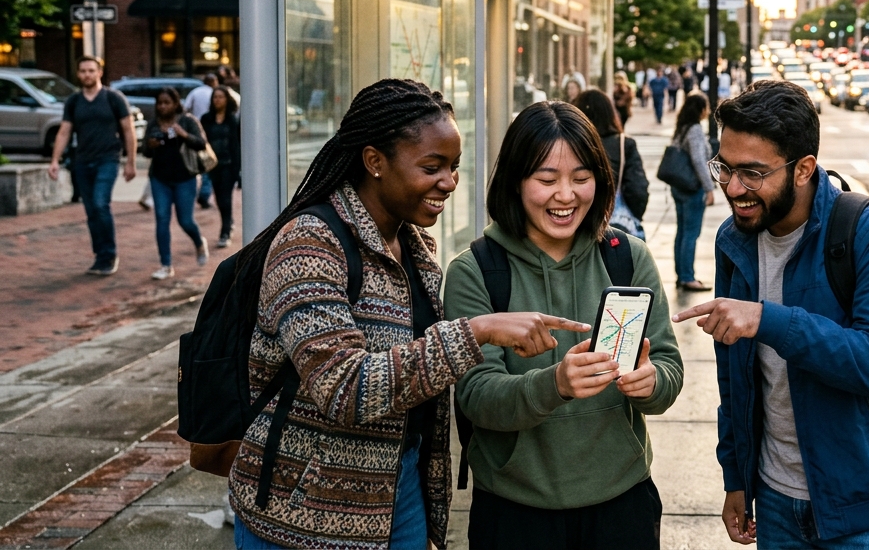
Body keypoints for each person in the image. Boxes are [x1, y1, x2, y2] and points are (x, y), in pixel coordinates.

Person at [228, 78, 587, 550]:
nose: (449, 182)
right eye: (432, 167)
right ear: (374, 161)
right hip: (304, 515)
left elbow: (420, 378)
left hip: (400, 498)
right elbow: (344, 390)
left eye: (455, 167)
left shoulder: (414, 248)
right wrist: (475, 331)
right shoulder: (309, 243)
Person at [673, 80, 869, 548]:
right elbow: (735, 379)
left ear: (803, 169)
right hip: (775, 501)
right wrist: (737, 478)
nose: (734, 188)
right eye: (724, 169)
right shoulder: (735, 242)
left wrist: (769, 320)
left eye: (752, 173)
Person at [445, 101, 683, 550]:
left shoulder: (626, 257)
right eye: (547, 179)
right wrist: (556, 383)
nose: (566, 195)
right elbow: (477, 397)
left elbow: (669, 368)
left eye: (581, 177)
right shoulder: (476, 271)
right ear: (516, 182)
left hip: (622, 503)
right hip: (515, 511)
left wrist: (651, 382)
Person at [46, 56, 137, 275]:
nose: (87, 74)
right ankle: (100, 256)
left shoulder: (114, 98)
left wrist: (131, 162)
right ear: (78, 74)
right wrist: (55, 160)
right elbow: (64, 131)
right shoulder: (74, 101)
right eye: (83, 71)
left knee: (100, 204)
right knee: (91, 212)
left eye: (91, 70)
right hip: (82, 162)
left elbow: (128, 130)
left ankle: (109, 254)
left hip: (108, 159)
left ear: (99, 73)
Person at [143, 87, 210, 280]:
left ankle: (199, 242)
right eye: (160, 103)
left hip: (185, 178)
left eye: (167, 102)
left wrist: (183, 134)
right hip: (160, 178)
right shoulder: (153, 124)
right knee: (162, 220)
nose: (163, 106)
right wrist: (151, 145)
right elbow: (145, 151)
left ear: (175, 104)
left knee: (185, 220)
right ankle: (166, 265)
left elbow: (201, 143)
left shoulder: (187, 121)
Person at [574, 88, 649, 225]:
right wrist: (634, 215)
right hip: (617, 223)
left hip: (579, 222)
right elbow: (638, 190)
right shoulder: (623, 144)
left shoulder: (572, 144)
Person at [670, 92, 715, 292]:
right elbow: (698, 160)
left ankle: (681, 274)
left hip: (678, 187)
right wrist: (709, 188)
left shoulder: (682, 128)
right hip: (691, 188)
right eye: (706, 106)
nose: (709, 110)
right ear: (700, 109)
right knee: (690, 233)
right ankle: (688, 276)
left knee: (682, 232)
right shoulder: (695, 129)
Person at [201, 87, 241, 248]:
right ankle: (229, 220)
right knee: (218, 198)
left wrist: (238, 170)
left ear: (227, 100)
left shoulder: (232, 120)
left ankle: (225, 232)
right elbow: (201, 141)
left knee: (226, 198)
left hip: (229, 165)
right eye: (215, 97)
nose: (217, 100)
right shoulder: (206, 119)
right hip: (212, 165)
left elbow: (237, 145)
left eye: (221, 97)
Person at [185, 74, 220, 209]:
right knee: (208, 163)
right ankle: (204, 194)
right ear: (213, 82)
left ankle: (200, 193)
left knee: (197, 162)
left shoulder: (195, 92)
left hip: (195, 131)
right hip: (209, 131)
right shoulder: (213, 93)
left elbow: (186, 108)